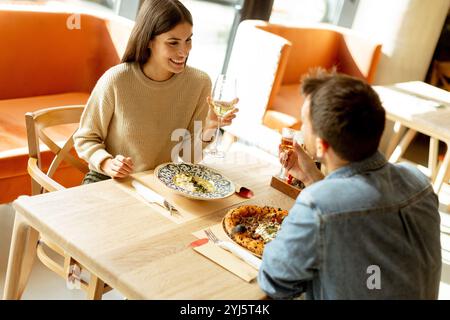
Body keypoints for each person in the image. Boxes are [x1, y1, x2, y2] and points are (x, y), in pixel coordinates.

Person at [258, 71, 442, 299]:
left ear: (321, 146)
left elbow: (275, 281)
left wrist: (315, 193)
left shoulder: (317, 206)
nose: (301, 127)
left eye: (304, 121)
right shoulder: (418, 182)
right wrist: (312, 179)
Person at [74, 0, 237, 183]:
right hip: (109, 181)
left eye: (188, 40)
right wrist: (107, 163)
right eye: (173, 43)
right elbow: (84, 138)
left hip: (160, 184)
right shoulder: (117, 80)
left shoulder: (199, 83)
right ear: (149, 41)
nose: (183, 51)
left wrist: (210, 127)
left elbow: (189, 158)